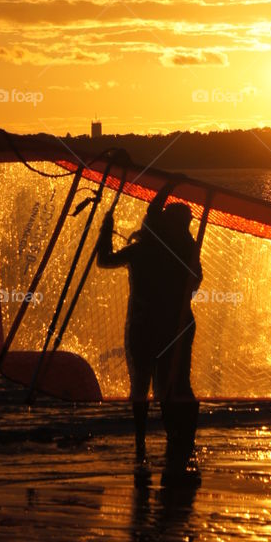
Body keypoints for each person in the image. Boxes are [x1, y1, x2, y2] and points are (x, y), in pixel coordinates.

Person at [96, 192, 202, 486]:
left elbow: (104, 259)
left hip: (158, 327)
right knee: (165, 384)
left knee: (159, 384)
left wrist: (106, 229)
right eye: (185, 223)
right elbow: (195, 281)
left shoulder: (151, 249)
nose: (188, 228)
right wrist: (168, 187)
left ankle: (154, 443)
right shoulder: (178, 249)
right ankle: (167, 441)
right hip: (168, 326)